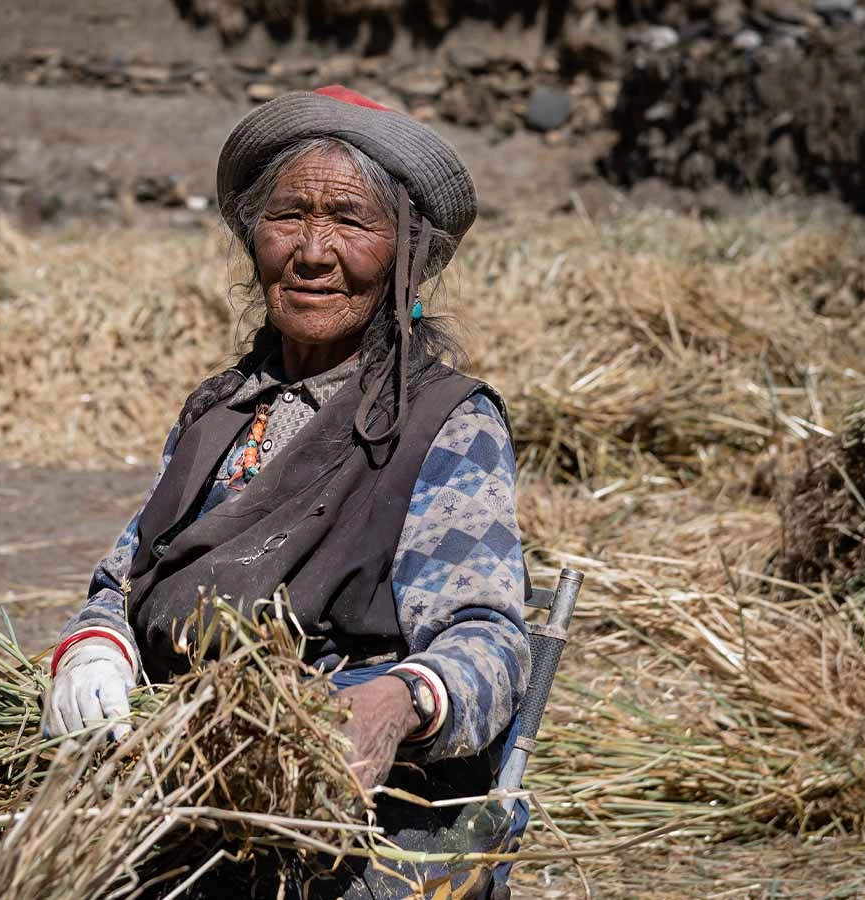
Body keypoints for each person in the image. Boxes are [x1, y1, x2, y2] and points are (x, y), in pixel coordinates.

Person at [43, 85, 531, 899]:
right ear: (253, 239)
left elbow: (490, 644)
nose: (312, 251)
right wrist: (97, 647)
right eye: (288, 216)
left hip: (341, 810)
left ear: (408, 256)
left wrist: (395, 703)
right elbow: (123, 582)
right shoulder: (218, 411)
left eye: (349, 220)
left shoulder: (445, 423)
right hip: (173, 783)